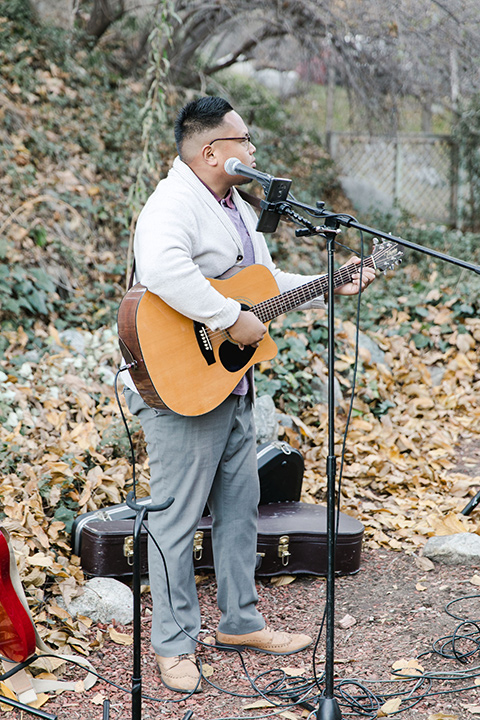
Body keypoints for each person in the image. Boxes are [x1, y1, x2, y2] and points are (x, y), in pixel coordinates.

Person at [122, 96, 375, 694]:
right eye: (244, 142)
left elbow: (265, 285)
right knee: (176, 519)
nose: (254, 152)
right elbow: (160, 269)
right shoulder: (172, 203)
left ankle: (240, 622)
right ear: (212, 152)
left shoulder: (233, 204)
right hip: (181, 379)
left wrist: (330, 285)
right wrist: (228, 316)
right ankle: (173, 644)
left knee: (241, 507)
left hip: (231, 379)